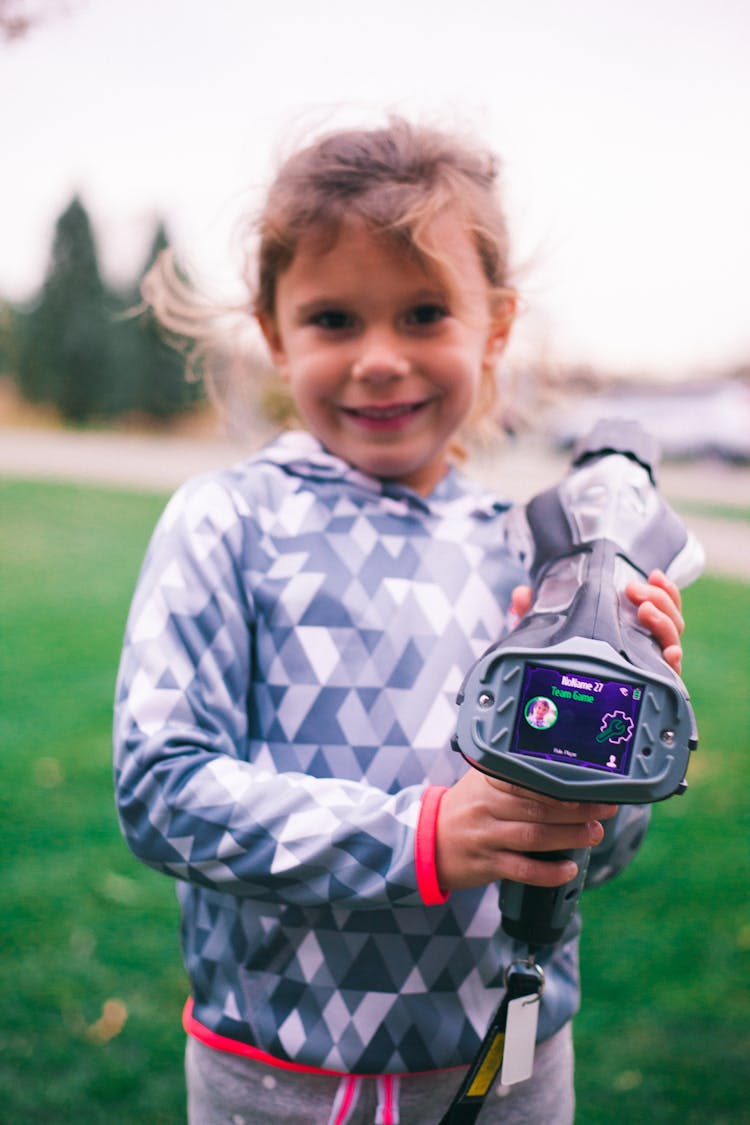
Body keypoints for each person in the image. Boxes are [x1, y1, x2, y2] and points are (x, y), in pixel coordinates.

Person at [113, 118, 686, 1125]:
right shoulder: (230, 520)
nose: (380, 359)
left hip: (513, 1069)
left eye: (424, 313)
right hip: (280, 1079)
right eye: (334, 319)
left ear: (495, 326)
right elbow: (162, 792)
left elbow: (595, 851)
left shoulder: (536, 555)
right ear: (274, 329)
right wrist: (421, 836)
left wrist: (627, 724)